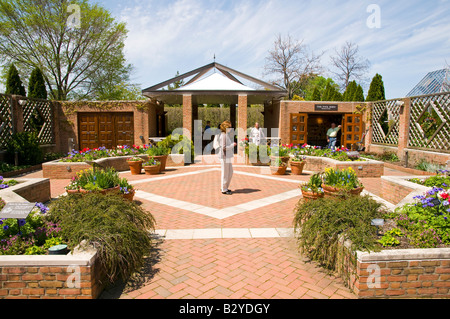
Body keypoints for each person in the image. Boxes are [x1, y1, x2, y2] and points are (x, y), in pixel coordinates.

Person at [217, 120, 236, 195]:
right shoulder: (223, 135)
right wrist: (232, 145)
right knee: (225, 173)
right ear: (226, 127)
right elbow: (224, 148)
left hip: (227, 156)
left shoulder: (225, 134)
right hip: (224, 156)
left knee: (230, 172)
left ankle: (224, 187)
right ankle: (224, 189)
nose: (231, 128)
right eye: (230, 127)